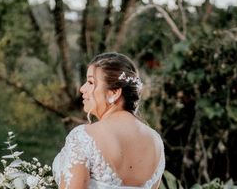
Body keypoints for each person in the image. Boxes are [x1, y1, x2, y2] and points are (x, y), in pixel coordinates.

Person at [52, 53, 165, 189]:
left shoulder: (84, 137)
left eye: (90, 82)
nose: (82, 89)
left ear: (114, 92)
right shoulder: (156, 141)